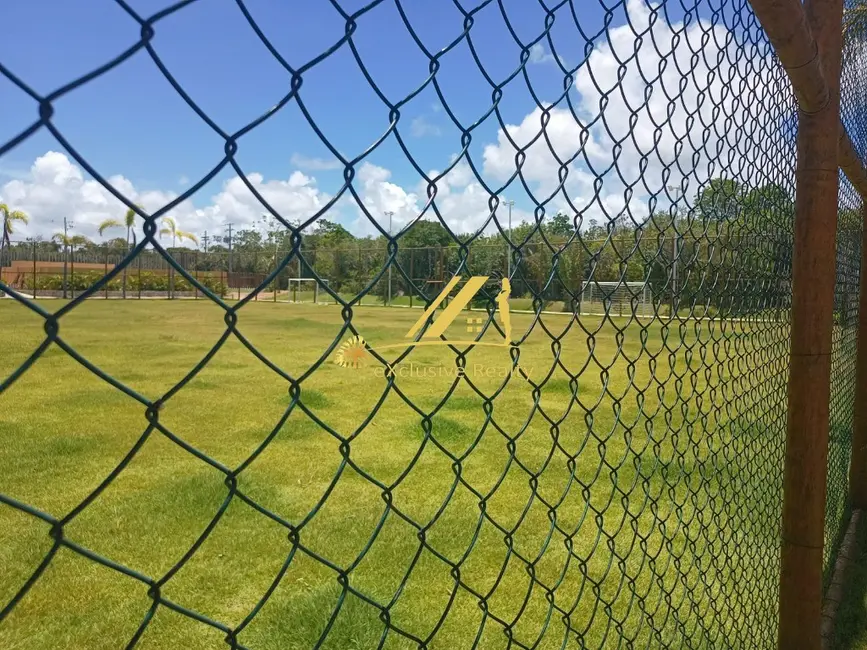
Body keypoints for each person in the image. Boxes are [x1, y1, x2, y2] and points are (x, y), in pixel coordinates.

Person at [496, 277, 512, 346]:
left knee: (506, 324)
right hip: (501, 308)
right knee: (505, 323)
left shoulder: (506, 291)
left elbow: (499, 298)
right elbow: (497, 298)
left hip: (504, 308)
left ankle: (508, 338)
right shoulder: (502, 291)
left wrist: (498, 298)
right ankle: (507, 337)